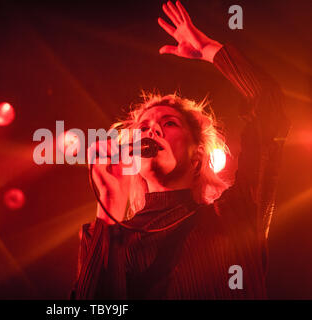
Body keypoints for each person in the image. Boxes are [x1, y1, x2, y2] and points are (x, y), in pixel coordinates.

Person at [70, 1, 291, 299]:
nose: (152, 130)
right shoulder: (102, 236)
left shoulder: (237, 212)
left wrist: (212, 51)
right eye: (144, 127)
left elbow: (270, 110)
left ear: (198, 153)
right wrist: (109, 211)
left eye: (169, 123)